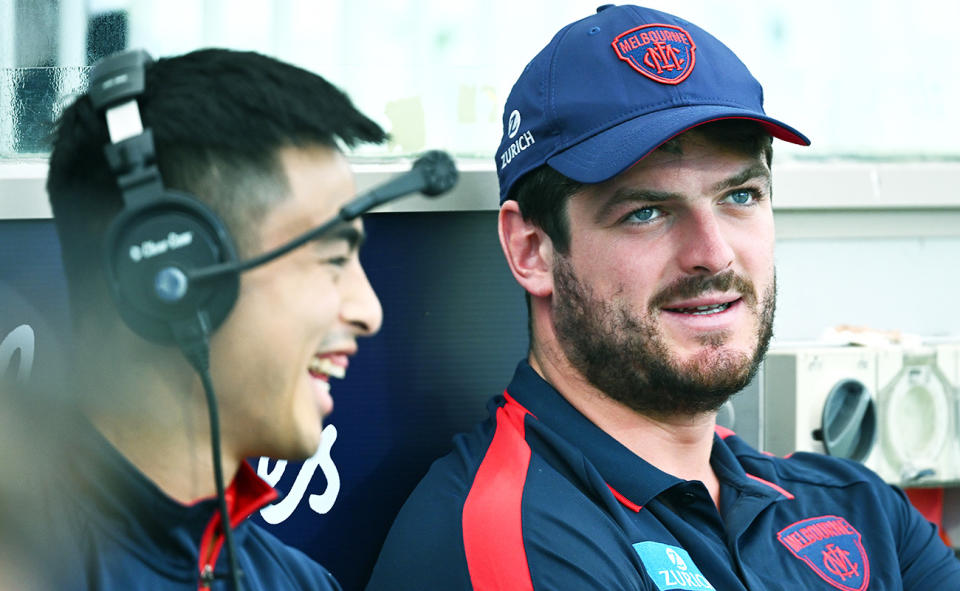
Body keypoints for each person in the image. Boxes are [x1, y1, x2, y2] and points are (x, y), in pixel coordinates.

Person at [367, 4, 960, 590]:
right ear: (532, 249)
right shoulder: (516, 539)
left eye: (741, 196)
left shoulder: (862, 511)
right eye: (646, 212)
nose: (715, 252)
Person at [38, 47, 387, 590]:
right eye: (332, 260)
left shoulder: (302, 583)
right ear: (168, 271)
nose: (369, 312)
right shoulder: (24, 569)